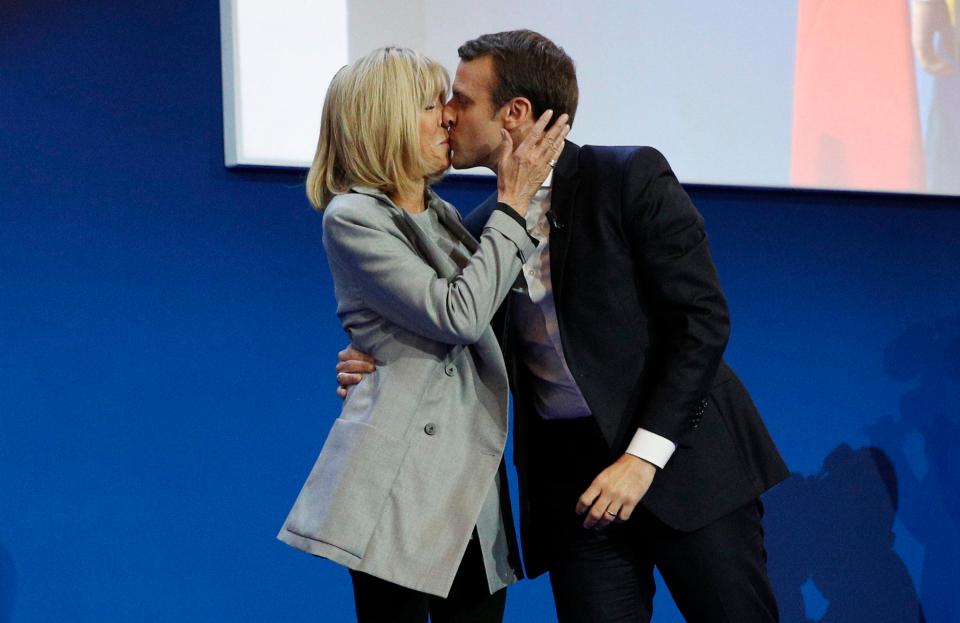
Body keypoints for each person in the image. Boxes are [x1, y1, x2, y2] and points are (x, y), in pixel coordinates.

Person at [337, 31, 789, 622]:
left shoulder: (627, 177)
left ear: (515, 114)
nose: (448, 114)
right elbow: (452, 325)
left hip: (682, 461)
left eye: (463, 100)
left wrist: (641, 459)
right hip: (573, 487)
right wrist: (379, 359)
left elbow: (701, 323)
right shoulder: (477, 230)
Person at [277, 46, 569, 623]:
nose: (448, 117)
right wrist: (513, 201)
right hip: (401, 485)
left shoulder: (447, 218)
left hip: (469, 485)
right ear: (383, 121)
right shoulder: (355, 216)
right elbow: (458, 315)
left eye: (449, 103)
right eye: (431, 104)